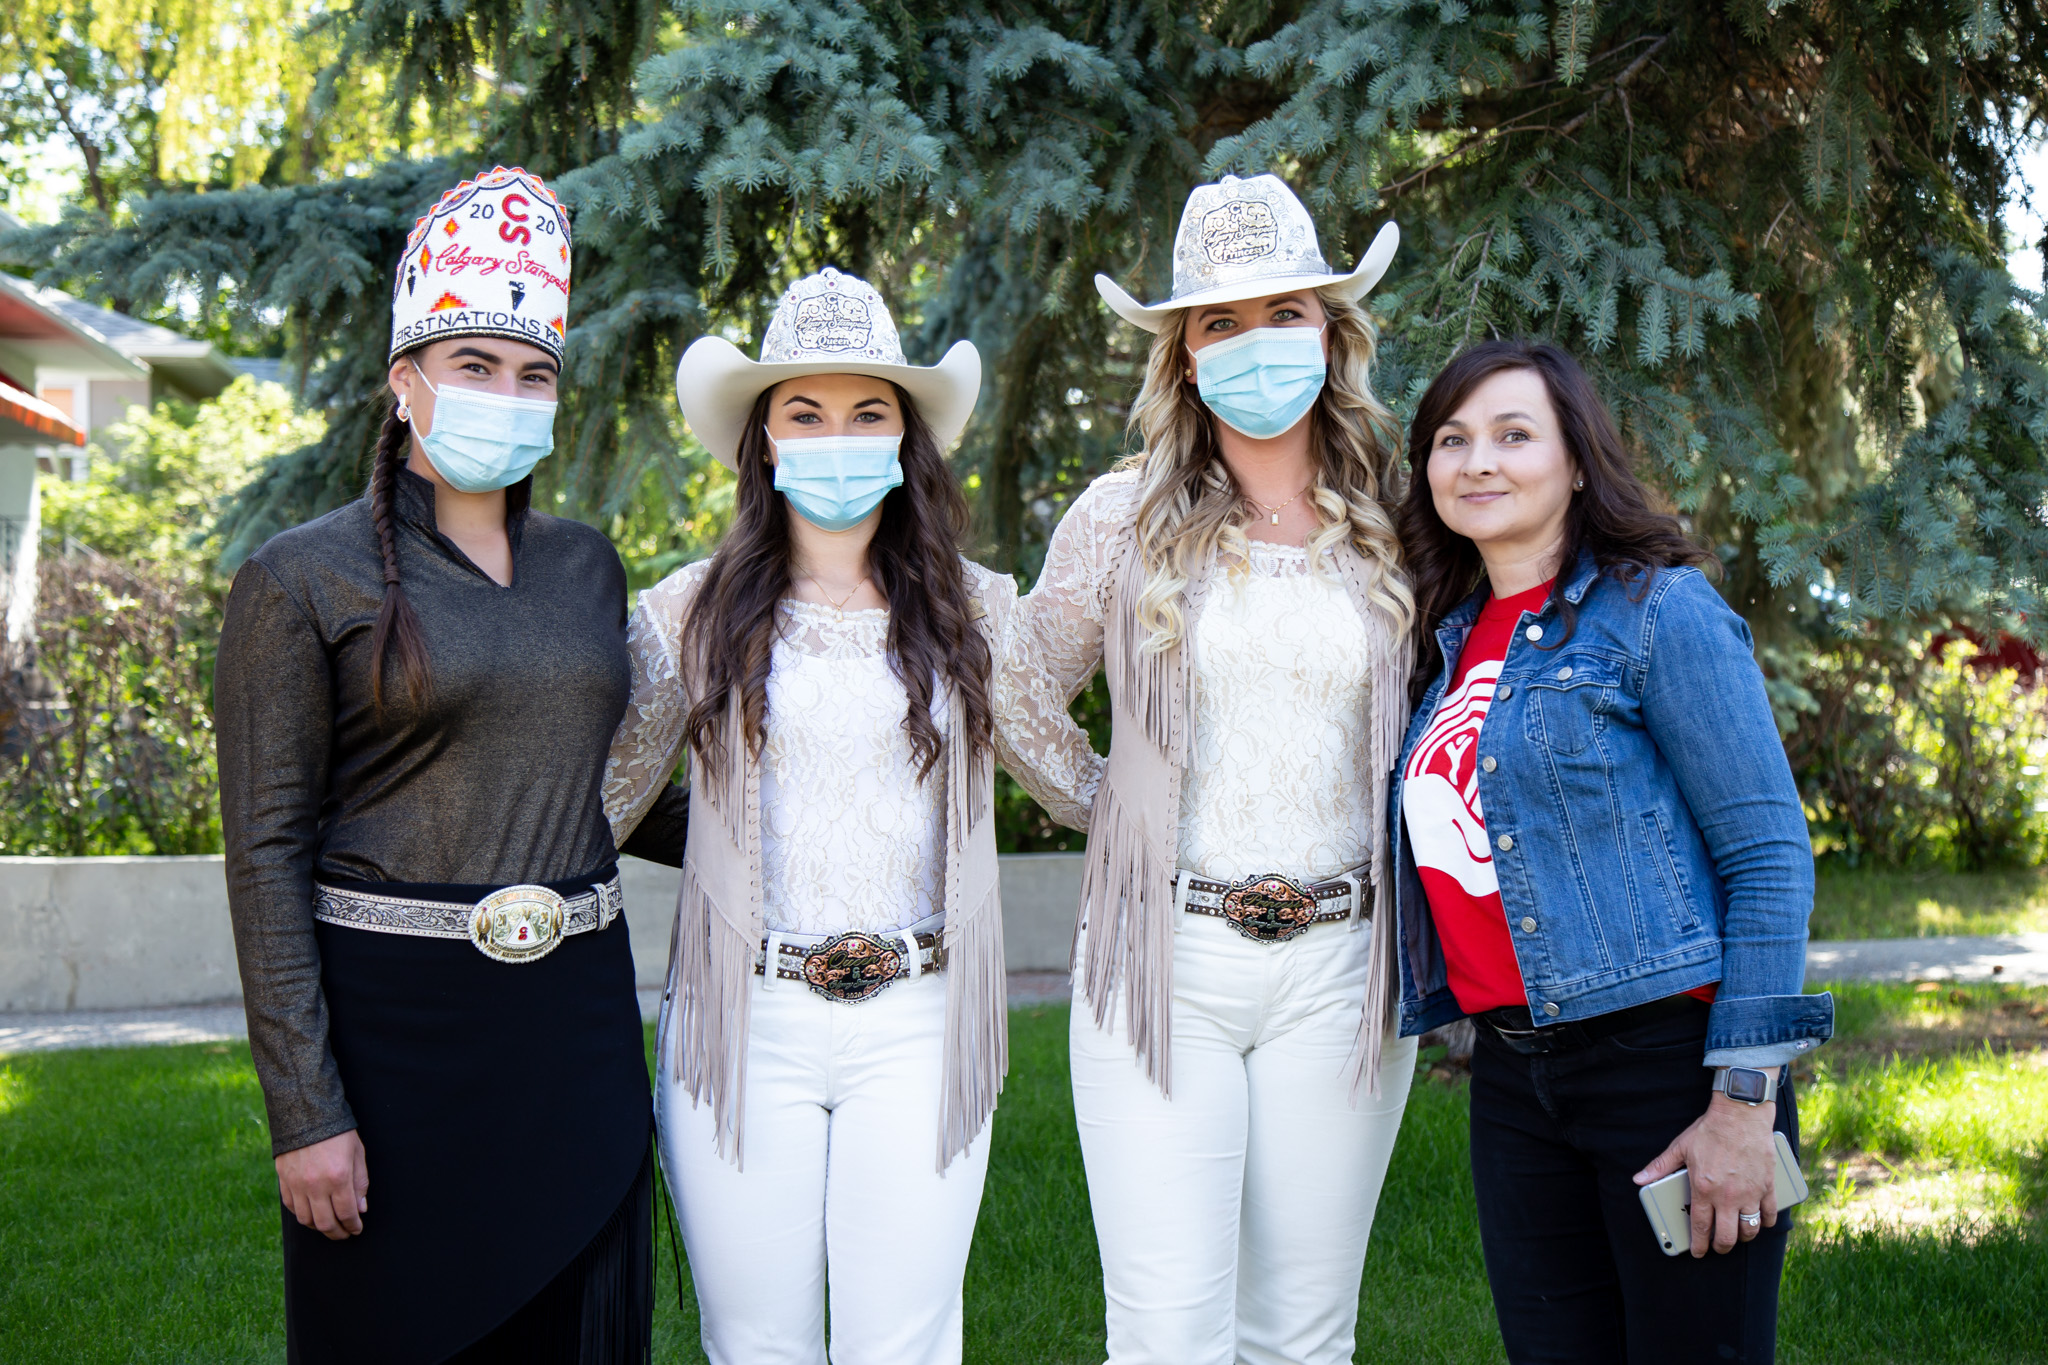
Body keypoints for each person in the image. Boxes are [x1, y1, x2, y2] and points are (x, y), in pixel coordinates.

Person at [217, 166, 677, 1364]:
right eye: (475, 367)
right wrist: (304, 1112)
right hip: (395, 1042)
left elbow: (609, 782)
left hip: (574, 1026)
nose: (507, 396)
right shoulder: (300, 578)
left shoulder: (588, 567)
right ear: (404, 382)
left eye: (533, 376)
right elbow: (263, 855)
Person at [998, 174, 1417, 1365]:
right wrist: (1109, 808)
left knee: (1301, 1336)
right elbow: (1017, 689)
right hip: (1159, 960)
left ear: (1331, 335)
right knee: (1169, 1334)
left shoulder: (1394, 519)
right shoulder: (1117, 516)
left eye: (1285, 312)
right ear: (1182, 357)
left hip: (1344, 967)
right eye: (1218, 322)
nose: (1253, 343)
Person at [603, 267, 1019, 1365]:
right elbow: (607, 800)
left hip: (921, 1018)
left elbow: (1061, 768)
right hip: (744, 1022)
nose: (836, 435)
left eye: (866, 412)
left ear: (904, 439)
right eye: (805, 412)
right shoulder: (685, 611)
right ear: (767, 443)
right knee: (756, 1344)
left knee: (905, 1342)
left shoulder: (978, 610)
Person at [1391, 338, 1835, 1363]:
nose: (1477, 462)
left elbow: (1767, 857)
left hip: (1664, 1070)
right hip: (1511, 1078)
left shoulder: (1656, 611)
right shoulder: (1448, 640)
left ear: (1577, 460)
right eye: (1450, 440)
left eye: (1513, 434)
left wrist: (1739, 1106)